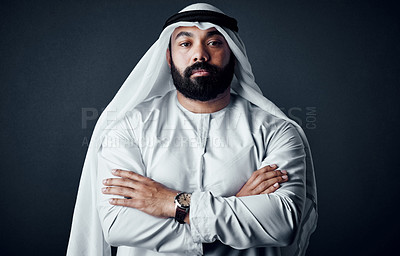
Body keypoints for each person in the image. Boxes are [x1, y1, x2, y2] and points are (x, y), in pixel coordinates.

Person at [67, 3, 317, 256]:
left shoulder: (278, 131)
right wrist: (237, 207)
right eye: (185, 44)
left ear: (234, 54)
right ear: (169, 57)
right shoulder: (129, 128)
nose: (200, 55)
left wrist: (170, 202)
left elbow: (283, 224)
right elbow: (117, 224)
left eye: (214, 43)